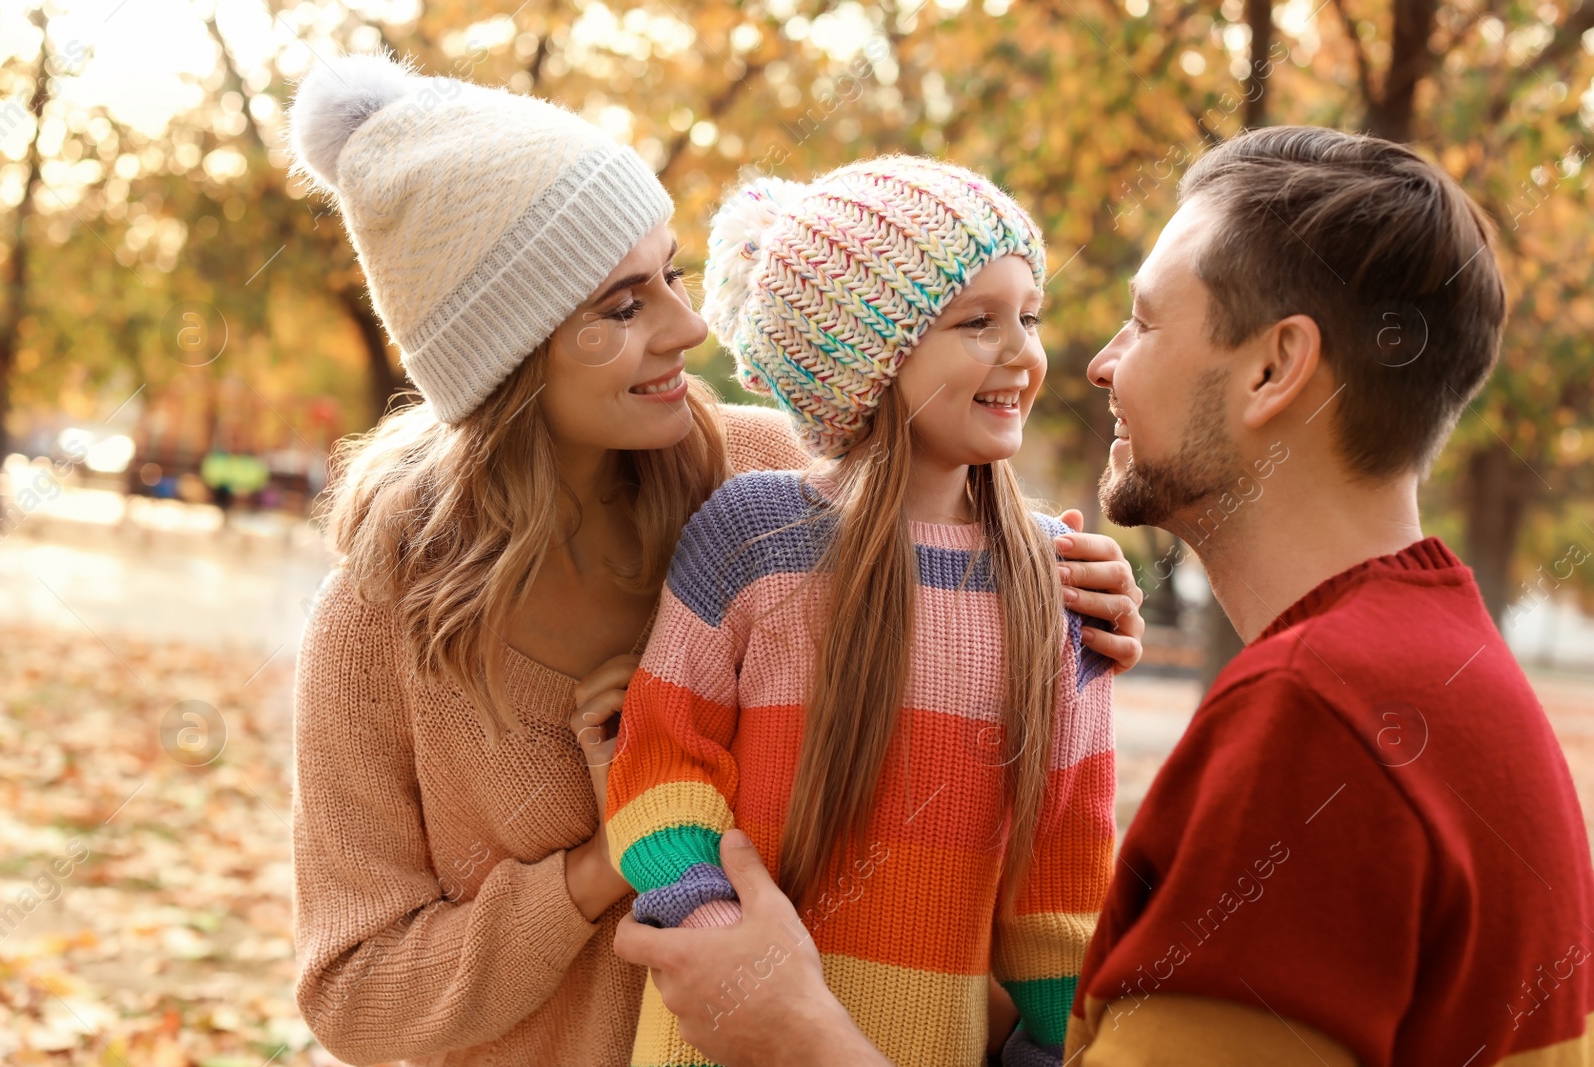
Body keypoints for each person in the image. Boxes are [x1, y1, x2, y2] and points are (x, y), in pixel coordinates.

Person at [614, 126, 1594, 1066]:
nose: (1092, 362)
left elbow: (1058, 893)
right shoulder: (1449, 686)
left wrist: (798, 1036)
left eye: (1146, 318)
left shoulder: (1317, 727)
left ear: (1271, 367)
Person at [285, 54, 1145, 1067]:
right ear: (506, 352)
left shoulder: (764, 474)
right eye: (621, 306)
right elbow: (353, 989)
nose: (689, 327)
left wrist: (1070, 592)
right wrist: (608, 861)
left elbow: (940, 525)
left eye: (673, 275)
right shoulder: (381, 620)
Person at [606, 158, 1124, 1067]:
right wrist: (727, 941)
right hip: (717, 1037)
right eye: (978, 323)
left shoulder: (1055, 587)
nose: (1025, 354)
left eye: (1028, 317)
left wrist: (1053, 1048)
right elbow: (660, 761)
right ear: (868, 361)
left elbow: (1064, 873)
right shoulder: (751, 538)